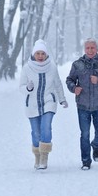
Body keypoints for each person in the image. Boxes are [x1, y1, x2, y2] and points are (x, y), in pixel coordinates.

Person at [66, 38, 98, 170]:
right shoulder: (77, 64)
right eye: (87, 48)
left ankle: (96, 145)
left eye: (92, 48)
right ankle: (85, 161)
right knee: (85, 134)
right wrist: (74, 88)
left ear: (97, 49)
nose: (90, 50)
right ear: (84, 49)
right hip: (82, 106)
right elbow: (70, 80)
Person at [19, 39, 68, 169]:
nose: (40, 56)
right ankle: (38, 156)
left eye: (42, 53)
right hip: (32, 104)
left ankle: (44, 155)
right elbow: (21, 87)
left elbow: (57, 84)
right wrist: (28, 88)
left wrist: (62, 99)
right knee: (36, 132)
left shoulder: (52, 67)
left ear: (46, 54)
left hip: (48, 102)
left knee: (46, 127)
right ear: (34, 54)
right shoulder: (27, 68)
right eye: (38, 53)